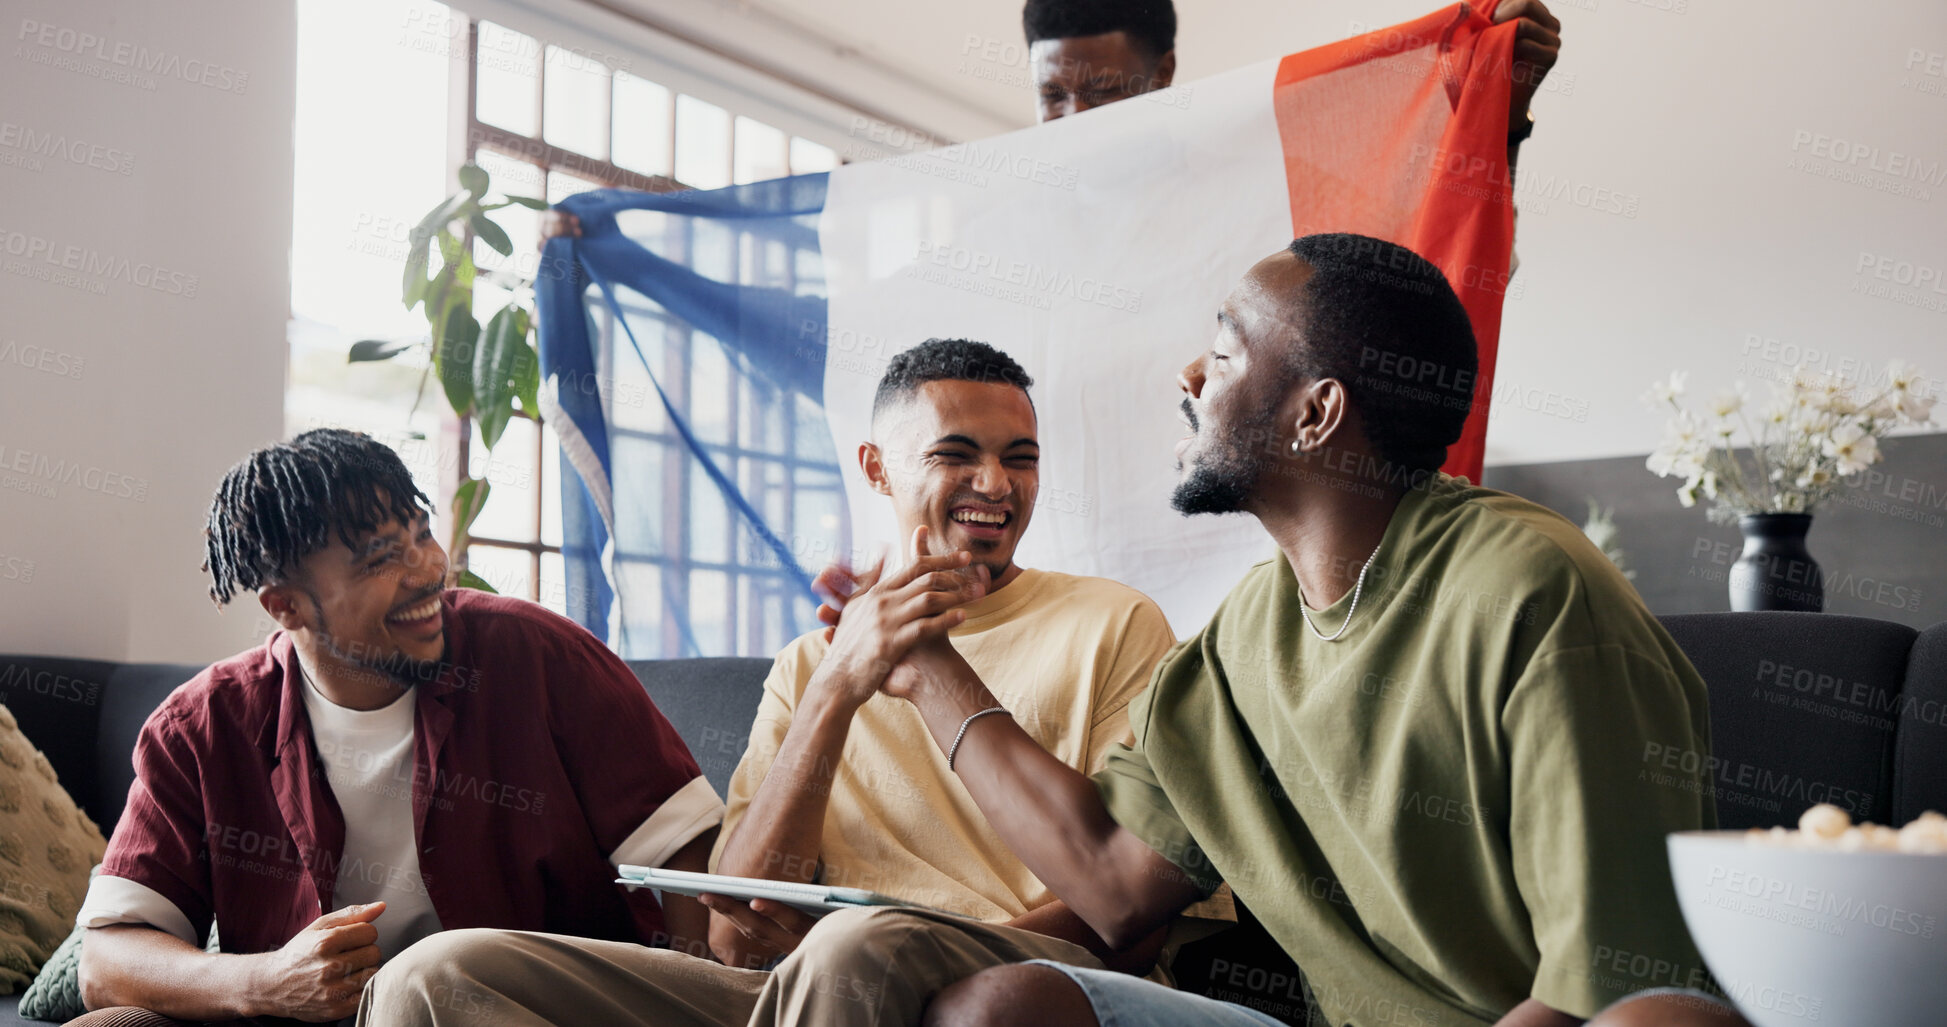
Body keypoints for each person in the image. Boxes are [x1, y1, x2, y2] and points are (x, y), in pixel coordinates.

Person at [847, 235, 1751, 1027]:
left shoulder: (1532, 593)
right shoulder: (1249, 627)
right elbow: (1115, 880)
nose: (1189, 378)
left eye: (1223, 356)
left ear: (1315, 414)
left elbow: (1611, 984)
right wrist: (927, 664)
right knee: (997, 1009)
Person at [362, 337, 1196, 1026]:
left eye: (1019, 459)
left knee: (859, 948)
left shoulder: (1114, 623)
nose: (996, 484)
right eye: (956, 455)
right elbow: (732, 940)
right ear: (875, 468)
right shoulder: (810, 660)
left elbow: (1131, 912)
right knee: (438, 974)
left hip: (1006, 977)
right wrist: (840, 683)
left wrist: (936, 951)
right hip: (806, 992)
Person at [73, 429, 721, 1026]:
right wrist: (265, 980)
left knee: (432, 979)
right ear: (286, 605)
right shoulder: (202, 724)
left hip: (533, 1011)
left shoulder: (538, 655)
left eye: (420, 534)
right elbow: (105, 962)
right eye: (382, 558)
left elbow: (690, 868)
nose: (426, 569)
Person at [1024, 0, 1563, 178]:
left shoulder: (1253, 187)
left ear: (1163, 73)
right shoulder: (1004, 219)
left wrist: (1503, 118)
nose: (1076, 117)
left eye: (1103, 90)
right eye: (1052, 95)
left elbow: (1436, 254)